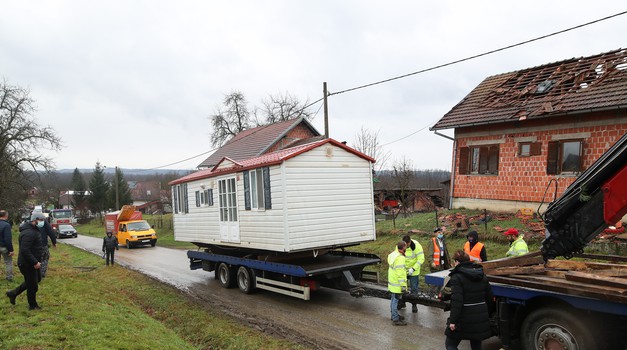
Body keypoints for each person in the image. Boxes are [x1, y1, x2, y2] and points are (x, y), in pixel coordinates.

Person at [444, 250, 495, 350]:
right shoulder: (481, 275)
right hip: (480, 317)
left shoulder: (457, 277)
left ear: (458, 262)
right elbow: (490, 297)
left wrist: (453, 321)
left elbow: (457, 302)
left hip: (464, 318)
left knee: (450, 344)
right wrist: (486, 314)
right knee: (476, 344)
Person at [6, 212, 45, 310]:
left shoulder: (33, 230)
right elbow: (25, 250)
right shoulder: (29, 233)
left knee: (36, 280)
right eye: (41, 220)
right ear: (35, 220)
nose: (42, 222)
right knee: (33, 286)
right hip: (27, 263)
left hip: (33, 261)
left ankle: (13, 293)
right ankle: (33, 305)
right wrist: (35, 262)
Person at [401, 234, 425, 313]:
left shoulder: (417, 246)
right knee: (403, 288)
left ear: (409, 242)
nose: (405, 247)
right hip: (403, 270)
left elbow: (421, 259)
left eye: (406, 245)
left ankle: (414, 305)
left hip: (413, 271)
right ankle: (402, 302)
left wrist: (413, 268)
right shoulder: (400, 245)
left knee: (414, 288)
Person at [387, 241, 408, 326]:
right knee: (395, 300)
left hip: (392, 282)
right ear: (403, 247)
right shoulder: (400, 258)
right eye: (405, 246)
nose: (406, 248)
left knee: (393, 300)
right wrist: (403, 285)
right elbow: (400, 273)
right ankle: (395, 319)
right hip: (397, 283)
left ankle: (393, 315)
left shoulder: (393, 254)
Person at [0, 210, 15, 282]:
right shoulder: (6, 225)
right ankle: (9, 277)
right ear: (6, 216)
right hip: (3, 247)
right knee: (8, 262)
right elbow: (7, 239)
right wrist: (11, 250)